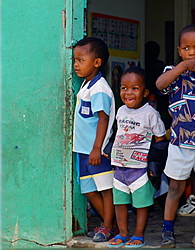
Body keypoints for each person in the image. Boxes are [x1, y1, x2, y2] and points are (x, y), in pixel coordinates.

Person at [156, 24, 195, 248]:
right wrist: (182, 66)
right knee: (176, 188)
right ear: (179, 51)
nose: (192, 52)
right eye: (186, 48)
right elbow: (160, 85)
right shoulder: (173, 71)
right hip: (180, 142)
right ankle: (167, 231)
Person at [107, 67, 166, 248]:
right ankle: (123, 233)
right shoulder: (120, 111)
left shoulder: (151, 114)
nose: (128, 92)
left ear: (145, 92)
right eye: (124, 88)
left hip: (139, 169)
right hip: (120, 167)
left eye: (135, 88)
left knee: (141, 204)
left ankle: (139, 234)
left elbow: (160, 141)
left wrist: (153, 166)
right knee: (120, 202)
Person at [72, 37, 116, 242]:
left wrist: (97, 147)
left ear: (97, 62)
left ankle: (108, 225)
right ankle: (110, 224)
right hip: (83, 149)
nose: (76, 64)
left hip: (96, 150)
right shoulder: (86, 84)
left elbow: (103, 118)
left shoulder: (100, 88)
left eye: (81, 60)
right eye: (75, 60)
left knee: (105, 189)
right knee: (89, 190)